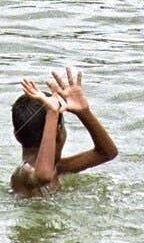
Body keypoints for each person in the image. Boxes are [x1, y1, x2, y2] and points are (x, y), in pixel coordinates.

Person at [9, 67, 118, 196]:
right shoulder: (23, 173)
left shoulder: (59, 168)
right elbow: (43, 176)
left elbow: (107, 153)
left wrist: (84, 113)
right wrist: (52, 113)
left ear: (16, 135)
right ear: (59, 131)